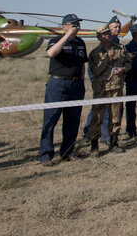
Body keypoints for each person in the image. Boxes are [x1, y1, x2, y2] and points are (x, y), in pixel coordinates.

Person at [38, 14, 88, 165]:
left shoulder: (80, 43)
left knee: (72, 120)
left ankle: (68, 152)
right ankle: (46, 155)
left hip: (76, 84)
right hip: (58, 85)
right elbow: (51, 53)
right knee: (50, 120)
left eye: (77, 24)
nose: (76, 27)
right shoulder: (55, 41)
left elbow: (82, 64)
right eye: (73, 24)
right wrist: (66, 37)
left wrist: (82, 82)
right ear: (64, 26)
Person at [86, 23, 132, 156]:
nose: (107, 36)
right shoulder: (95, 53)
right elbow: (96, 71)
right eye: (104, 34)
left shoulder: (120, 48)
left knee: (115, 116)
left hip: (116, 87)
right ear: (99, 37)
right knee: (97, 117)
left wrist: (123, 69)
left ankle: (113, 143)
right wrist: (107, 58)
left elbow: (128, 63)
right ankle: (94, 146)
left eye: (108, 33)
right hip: (101, 89)